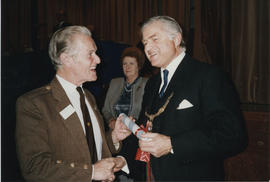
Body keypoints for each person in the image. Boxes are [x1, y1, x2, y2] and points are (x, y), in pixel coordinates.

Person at [137, 16, 248, 181]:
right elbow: (146, 125)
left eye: (154, 39)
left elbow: (232, 136)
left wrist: (173, 144)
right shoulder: (152, 83)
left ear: (176, 39)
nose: (148, 48)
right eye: (145, 43)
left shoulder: (208, 76)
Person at [16, 25, 131, 182]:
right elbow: (34, 167)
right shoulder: (34, 104)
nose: (98, 60)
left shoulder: (88, 97)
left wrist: (114, 138)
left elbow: (89, 148)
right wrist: (90, 173)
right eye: (90, 54)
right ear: (66, 59)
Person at [102, 47, 148, 181]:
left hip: (135, 134)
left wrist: (133, 126)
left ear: (139, 66)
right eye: (124, 64)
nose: (127, 67)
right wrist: (110, 120)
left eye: (131, 63)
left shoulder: (147, 84)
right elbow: (105, 109)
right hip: (115, 132)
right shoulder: (115, 82)